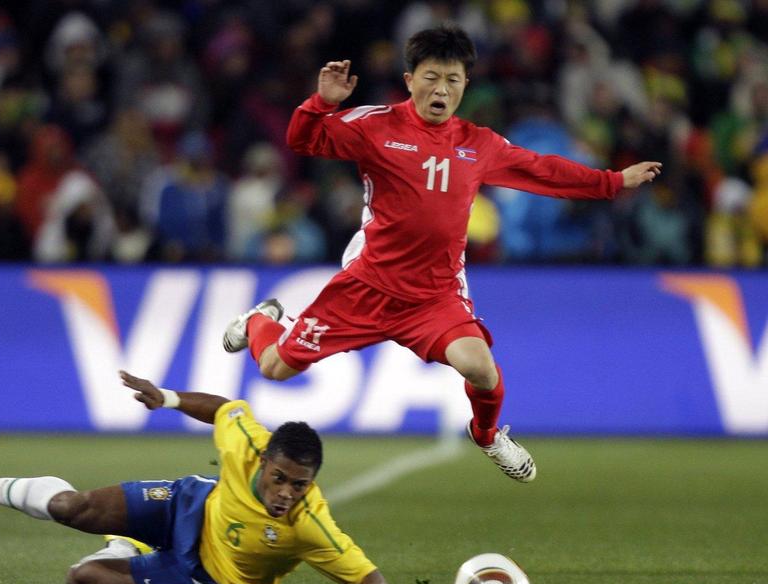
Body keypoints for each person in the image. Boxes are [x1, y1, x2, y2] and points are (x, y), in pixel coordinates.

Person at [223, 25, 663, 482]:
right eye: (431, 77)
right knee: (274, 367)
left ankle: (487, 435)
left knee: (481, 368)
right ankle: (260, 319)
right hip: (368, 286)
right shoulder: (375, 125)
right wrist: (322, 103)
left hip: (434, 296)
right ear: (409, 79)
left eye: (453, 79)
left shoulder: (479, 144)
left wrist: (613, 181)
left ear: (465, 85)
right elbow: (303, 140)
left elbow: (542, 170)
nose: (441, 89)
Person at [0, 370, 390, 584]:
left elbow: (374, 582)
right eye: (279, 478)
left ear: (312, 484)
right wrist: (169, 399)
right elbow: (224, 409)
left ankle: (126, 545)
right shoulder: (248, 443)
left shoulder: (311, 525)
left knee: (81, 580)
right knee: (71, 506)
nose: (286, 492)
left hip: (204, 577)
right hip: (190, 505)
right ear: (264, 461)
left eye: (299, 485)